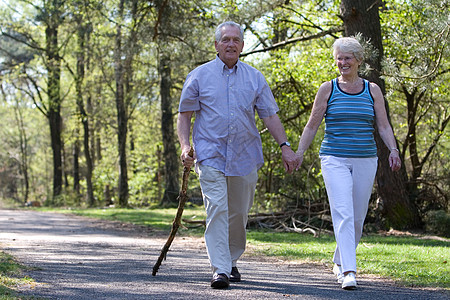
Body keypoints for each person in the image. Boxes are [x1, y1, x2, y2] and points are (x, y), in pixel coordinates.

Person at [177, 21, 300, 289]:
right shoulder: (199, 76)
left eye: (235, 40)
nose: (231, 44)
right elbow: (184, 115)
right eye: (225, 40)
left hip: (245, 155)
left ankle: (231, 260)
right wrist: (185, 146)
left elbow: (269, 115)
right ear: (216, 45)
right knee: (218, 208)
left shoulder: (255, 77)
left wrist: (285, 146)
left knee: (239, 214)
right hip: (210, 154)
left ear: (242, 46)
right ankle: (220, 268)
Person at [294, 37, 401, 290]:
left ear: (359, 61)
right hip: (334, 157)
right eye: (339, 58)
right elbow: (312, 125)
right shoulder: (327, 89)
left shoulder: (372, 89)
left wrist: (393, 150)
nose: (342, 62)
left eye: (347, 58)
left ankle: (340, 261)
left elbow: (383, 125)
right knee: (343, 211)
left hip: (366, 157)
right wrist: (298, 153)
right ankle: (349, 271)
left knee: (357, 216)